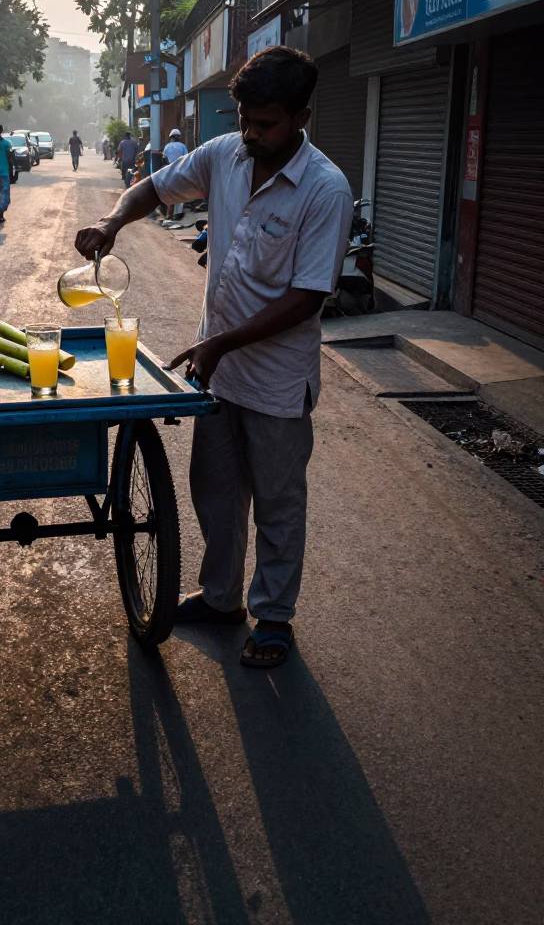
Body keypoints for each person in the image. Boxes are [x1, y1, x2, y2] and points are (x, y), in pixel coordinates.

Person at [75, 47, 353, 670]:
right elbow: (151, 187)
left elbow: (307, 300)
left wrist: (219, 343)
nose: (252, 134)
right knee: (216, 493)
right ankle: (224, 598)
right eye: (245, 119)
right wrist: (113, 220)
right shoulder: (226, 154)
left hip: (277, 381)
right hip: (218, 373)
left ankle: (274, 617)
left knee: (279, 503)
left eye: (266, 124)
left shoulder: (325, 189)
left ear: (301, 115)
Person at [162, 128, 188, 220]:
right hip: (179, 172)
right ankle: (178, 214)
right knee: (180, 194)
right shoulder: (182, 146)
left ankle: (169, 215)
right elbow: (186, 159)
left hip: (168, 172)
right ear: (179, 137)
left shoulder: (166, 147)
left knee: (170, 193)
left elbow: (164, 159)